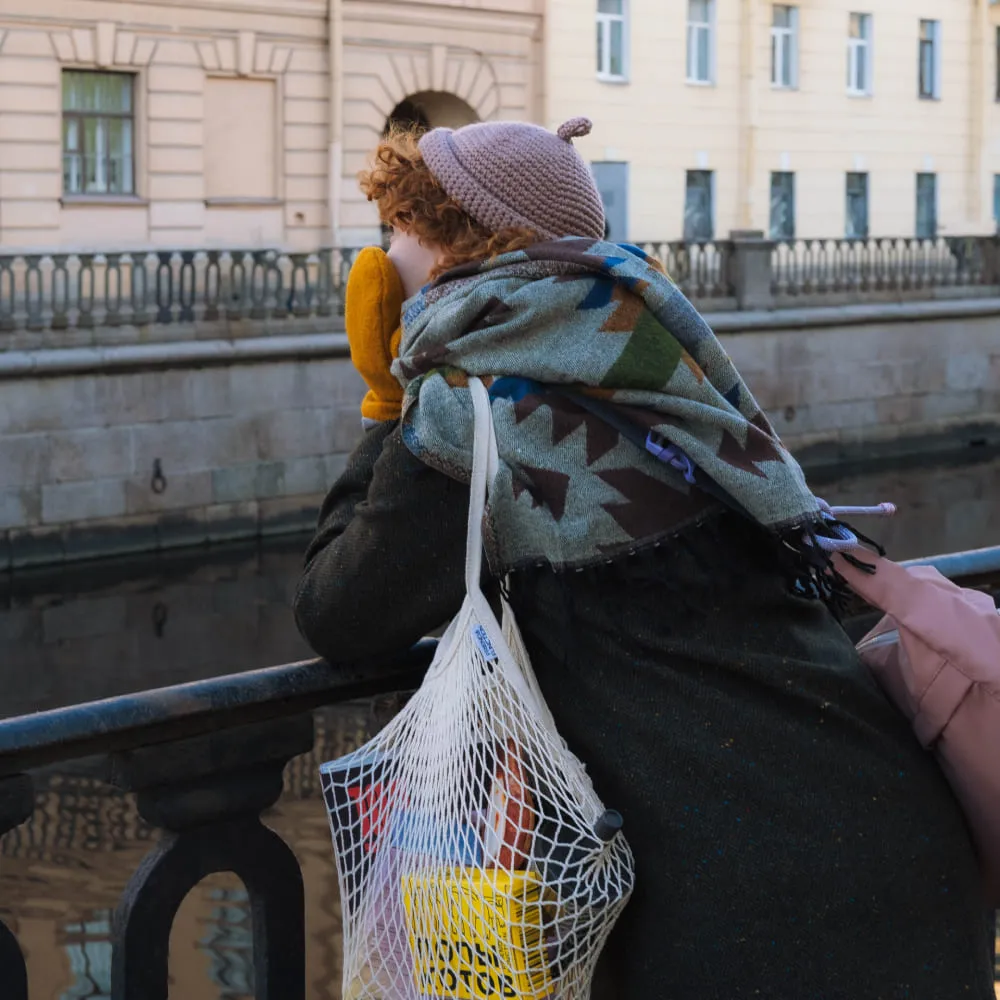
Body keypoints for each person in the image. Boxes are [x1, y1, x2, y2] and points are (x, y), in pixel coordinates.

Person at [294, 117, 996, 998]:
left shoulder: (470, 412)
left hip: (740, 907)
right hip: (900, 841)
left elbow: (338, 612)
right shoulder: (655, 351)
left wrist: (383, 404)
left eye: (394, 227)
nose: (384, 253)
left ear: (444, 243)